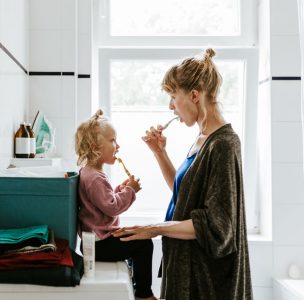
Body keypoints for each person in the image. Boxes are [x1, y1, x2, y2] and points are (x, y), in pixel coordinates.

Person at [113, 48, 253, 300]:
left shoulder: (223, 144)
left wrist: (155, 228)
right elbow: (185, 196)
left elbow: (218, 227)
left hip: (208, 281)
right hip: (186, 267)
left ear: (195, 95)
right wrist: (160, 153)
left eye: (173, 96)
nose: (170, 106)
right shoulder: (202, 139)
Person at [75, 109, 158, 300]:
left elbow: (101, 202)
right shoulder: (95, 177)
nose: (118, 145)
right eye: (112, 140)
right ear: (95, 145)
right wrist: (130, 191)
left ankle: (138, 286)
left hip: (96, 242)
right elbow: (111, 207)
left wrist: (119, 190)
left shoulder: (89, 172)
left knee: (136, 238)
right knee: (143, 244)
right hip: (100, 245)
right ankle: (143, 294)